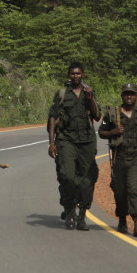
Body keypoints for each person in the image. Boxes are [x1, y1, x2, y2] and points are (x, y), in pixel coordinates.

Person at [47, 62, 101, 231]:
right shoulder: (62, 94)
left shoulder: (88, 93)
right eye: (72, 73)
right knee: (67, 176)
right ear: (69, 75)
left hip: (86, 141)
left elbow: (97, 116)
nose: (75, 76)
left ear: (82, 74)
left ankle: (82, 215)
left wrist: (90, 98)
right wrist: (51, 142)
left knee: (87, 180)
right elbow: (52, 118)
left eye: (78, 73)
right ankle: (70, 210)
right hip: (66, 140)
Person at [98, 82, 137, 237]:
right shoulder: (112, 114)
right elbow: (101, 132)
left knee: (134, 189)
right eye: (126, 94)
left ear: (136, 96)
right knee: (120, 192)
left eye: (132, 94)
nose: (129, 96)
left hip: (136, 158)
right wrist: (113, 132)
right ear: (122, 96)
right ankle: (122, 219)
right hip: (119, 159)